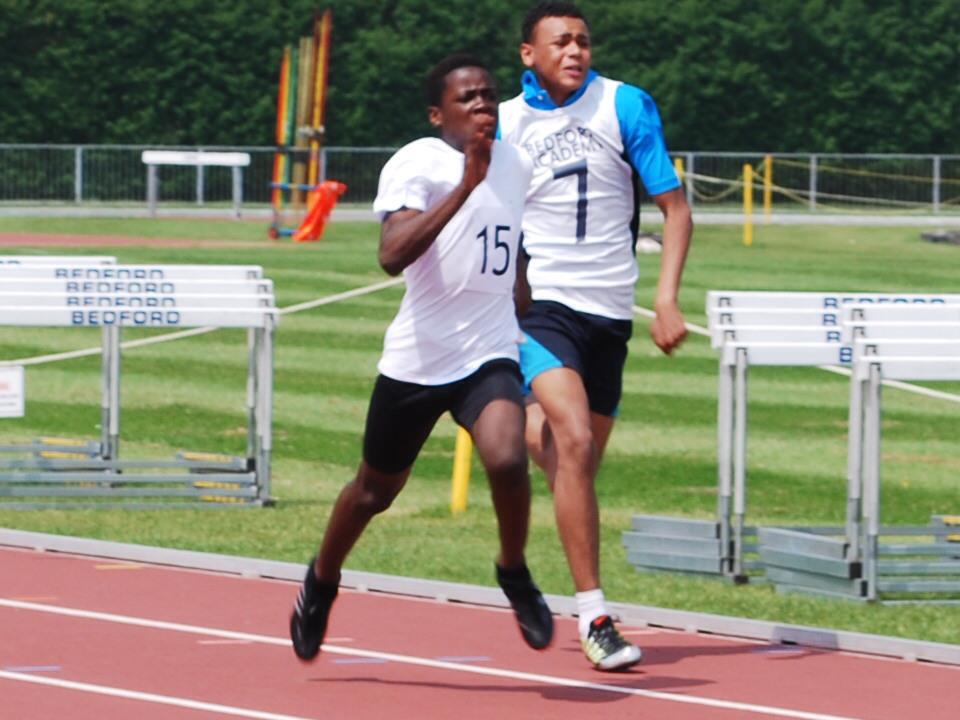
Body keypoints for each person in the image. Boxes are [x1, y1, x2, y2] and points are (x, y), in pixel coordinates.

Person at [290, 53, 554, 661]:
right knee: (373, 492)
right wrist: (466, 184)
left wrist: (521, 290)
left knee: (508, 458)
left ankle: (513, 570)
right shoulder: (418, 161)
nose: (483, 105)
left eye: (489, 95)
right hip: (419, 358)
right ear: (439, 114)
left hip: (488, 351)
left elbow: (508, 235)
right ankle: (322, 578)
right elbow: (391, 255)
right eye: (468, 98)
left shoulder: (516, 163)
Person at [498, 2, 693, 671]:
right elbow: (492, 216)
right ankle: (596, 616)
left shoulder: (624, 105)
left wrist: (664, 298)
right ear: (529, 54)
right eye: (560, 42)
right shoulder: (507, 122)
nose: (575, 51)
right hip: (542, 307)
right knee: (574, 442)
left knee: (569, 460)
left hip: (608, 314)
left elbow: (675, 209)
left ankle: (512, 431)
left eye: (583, 41)